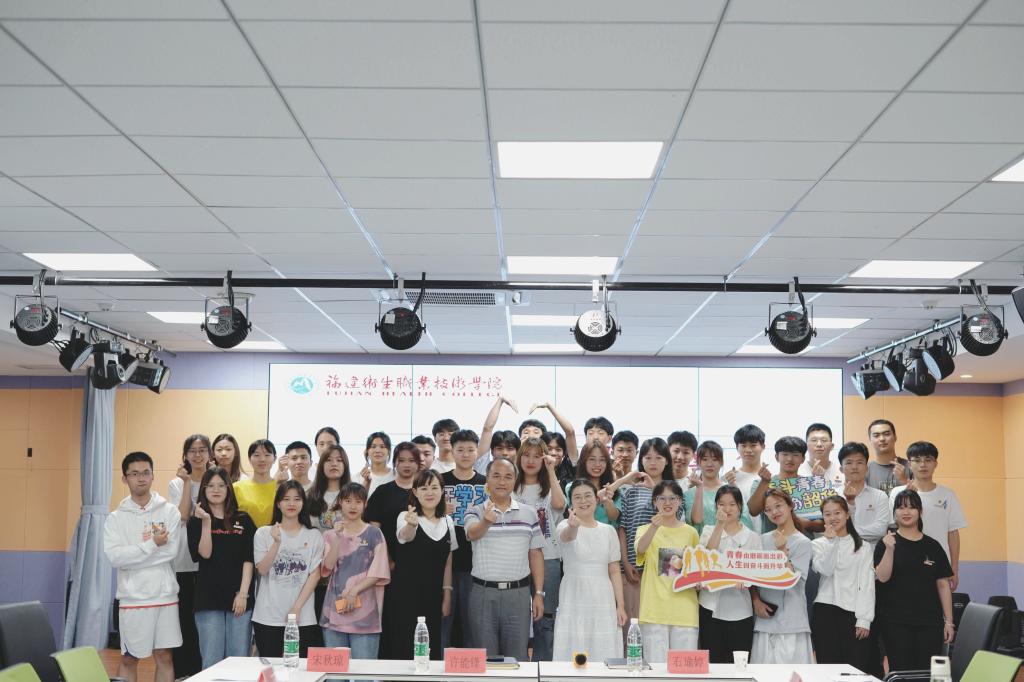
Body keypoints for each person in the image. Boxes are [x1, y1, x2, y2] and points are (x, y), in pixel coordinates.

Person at [104, 452, 182, 682]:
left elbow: (171, 552)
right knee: (129, 659)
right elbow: (115, 557)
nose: (141, 478)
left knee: (165, 656)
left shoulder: (169, 511)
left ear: (152, 475)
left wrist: (134, 556)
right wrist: (152, 545)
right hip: (133, 598)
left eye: (146, 473)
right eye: (135, 474)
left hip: (165, 596)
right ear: (125, 478)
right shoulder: (115, 518)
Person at [464, 458, 545, 661]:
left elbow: (535, 553)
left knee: (517, 659)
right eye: (496, 476)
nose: (502, 481)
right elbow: (472, 533)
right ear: (487, 479)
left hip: (518, 594)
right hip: (483, 593)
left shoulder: (529, 513)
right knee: (485, 660)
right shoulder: (475, 510)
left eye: (508, 476)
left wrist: (538, 593)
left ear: (515, 480)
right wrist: (486, 521)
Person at [874, 489, 956, 672]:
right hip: (894, 622)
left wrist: (949, 622)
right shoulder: (885, 543)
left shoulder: (933, 546)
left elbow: (943, 585)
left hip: (929, 623)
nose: (906, 512)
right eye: (901, 507)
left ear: (920, 511)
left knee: (925, 673)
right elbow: (882, 577)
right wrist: (890, 549)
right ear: (894, 512)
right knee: (901, 671)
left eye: (911, 507)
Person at [186, 466, 256, 669]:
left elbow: (249, 560)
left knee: (239, 660)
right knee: (211, 660)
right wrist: (206, 522)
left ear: (228, 489)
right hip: (208, 600)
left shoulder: (243, 519)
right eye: (210, 486)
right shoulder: (196, 522)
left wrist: (243, 594)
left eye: (221, 485)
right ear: (203, 489)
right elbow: (205, 554)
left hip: (239, 599)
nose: (216, 490)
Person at [383, 470, 456, 659]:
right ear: (415, 492)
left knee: (431, 650)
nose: (429, 493)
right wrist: (411, 525)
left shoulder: (448, 521)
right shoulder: (405, 516)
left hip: (433, 597)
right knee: (404, 649)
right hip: (405, 597)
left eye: (434, 487)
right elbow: (405, 536)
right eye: (423, 488)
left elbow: (448, 562)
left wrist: (447, 594)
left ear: (442, 491)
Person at [553, 479, 627, 662]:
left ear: (596, 499)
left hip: (603, 595)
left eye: (588, 496)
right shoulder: (564, 525)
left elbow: (614, 570)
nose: (583, 501)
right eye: (577, 497)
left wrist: (620, 605)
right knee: (574, 642)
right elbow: (567, 537)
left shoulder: (608, 531)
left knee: (602, 645)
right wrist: (573, 526)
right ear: (571, 503)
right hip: (574, 593)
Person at [252, 481, 325, 657]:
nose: (291, 503)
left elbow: (315, 575)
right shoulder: (264, 533)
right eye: (286, 499)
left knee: (299, 667)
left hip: (302, 618)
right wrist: (277, 543)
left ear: (303, 503)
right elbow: (262, 570)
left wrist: (296, 608)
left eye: (297, 499)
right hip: (267, 617)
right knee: (272, 667)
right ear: (278, 503)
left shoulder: (314, 535)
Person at [320, 482, 390, 659]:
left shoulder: (374, 534)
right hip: (334, 614)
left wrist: (354, 590)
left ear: (365, 504)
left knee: (364, 672)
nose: (353, 506)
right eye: (348, 501)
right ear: (340, 503)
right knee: (336, 672)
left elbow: (379, 572)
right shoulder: (329, 535)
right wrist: (338, 538)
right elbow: (327, 566)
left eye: (358, 502)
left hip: (366, 617)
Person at [614, 437, 677, 634]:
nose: (653, 462)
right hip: (635, 568)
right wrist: (625, 562)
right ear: (641, 461)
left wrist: (654, 491)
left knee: (660, 626)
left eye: (658, 457)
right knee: (633, 624)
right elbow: (623, 528)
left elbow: (677, 524)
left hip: (665, 568)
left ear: (667, 461)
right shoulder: (631, 492)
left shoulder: (674, 491)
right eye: (648, 457)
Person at [512, 437, 566, 661]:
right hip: (517, 558)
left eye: (537, 456)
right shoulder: (512, 486)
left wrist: (551, 470)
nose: (531, 460)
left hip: (548, 557)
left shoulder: (549, 485)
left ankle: (543, 666)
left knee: (545, 617)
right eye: (526, 455)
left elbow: (560, 505)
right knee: (518, 618)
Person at [634, 480, 700, 662]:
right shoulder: (644, 529)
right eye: (661, 498)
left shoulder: (691, 533)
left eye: (673, 498)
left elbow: (697, 570)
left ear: (680, 501)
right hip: (654, 611)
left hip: (685, 611)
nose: (667, 503)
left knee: (684, 669)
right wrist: (654, 527)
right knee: (656, 669)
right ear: (654, 502)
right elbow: (640, 549)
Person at [889, 441, 966, 590]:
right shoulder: (897, 493)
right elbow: (894, 527)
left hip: (939, 564)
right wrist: (909, 498)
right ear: (909, 464)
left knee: (939, 603)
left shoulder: (947, 495)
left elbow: (953, 532)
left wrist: (954, 568)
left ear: (935, 464)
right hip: (905, 562)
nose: (923, 465)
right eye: (917, 460)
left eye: (928, 460)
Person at [811, 495, 875, 670]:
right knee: (827, 666)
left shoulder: (863, 546)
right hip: (824, 610)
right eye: (827, 514)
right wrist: (832, 543)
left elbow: (867, 584)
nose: (833, 518)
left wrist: (864, 619)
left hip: (852, 612)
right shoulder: (818, 544)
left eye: (837, 513)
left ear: (847, 514)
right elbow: (825, 569)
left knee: (855, 667)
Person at [698, 485, 760, 663]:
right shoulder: (708, 530)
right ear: (716, 506)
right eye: (722, 504)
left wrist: (747, 580)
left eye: (732, 504)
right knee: (713, 663)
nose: (727, 509)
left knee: (739, 662)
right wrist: (719, 525)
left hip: (740, 608)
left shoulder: (752, 537)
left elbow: (757, 572)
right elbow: (706, 557)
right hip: (710, 606)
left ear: (740, 506)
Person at [751, 489, 813, 664]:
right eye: (768, 510)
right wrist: (756, 601)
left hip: (792, 622)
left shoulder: (803, 542)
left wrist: (782, 551)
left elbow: (793, 581)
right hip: (765, 620)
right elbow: (751, 577)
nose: (774, 512)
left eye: (778, 506)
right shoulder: (762, 540)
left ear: (790, 505)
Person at [167, 433, 210, 677]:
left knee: (205, 621)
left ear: (209, 453)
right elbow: (183, 515)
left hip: (209, 560)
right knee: (184, 619)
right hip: (183, 559)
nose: (197, 455)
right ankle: (185, 673)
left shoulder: (217, 480)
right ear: (185, 455)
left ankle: (206, 671)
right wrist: (186, 483)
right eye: (192, 450)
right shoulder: (176, 483)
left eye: (202, 450)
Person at [440, 429, 485, 648]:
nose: (465, 454)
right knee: (443, 621)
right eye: (460, 450)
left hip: (475, 563)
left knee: (472, 623)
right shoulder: (440, 481)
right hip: (443, 562)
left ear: (477, 452)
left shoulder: (486, 483)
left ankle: (470, 666)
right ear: (452, 451)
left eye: (470, 450)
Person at [305, 443, 353, 619]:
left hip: (347, 572)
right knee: (317, 621)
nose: (334, 464)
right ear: (321, 465)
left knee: (343, 620)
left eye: (339, 460)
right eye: (329, 460)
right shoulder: (309, 495)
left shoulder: (353, 495)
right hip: (316, 572)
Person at [747, 436, 819, 534]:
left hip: (804, 541)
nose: (789, 459)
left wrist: (807, 524)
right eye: (785, 454)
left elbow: (823, 524)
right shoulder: (761, 483)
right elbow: (753, 511)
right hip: (772, 542)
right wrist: (764, 482)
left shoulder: (811, 485)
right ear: (777, 457)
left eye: (795, 455)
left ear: (803, 458)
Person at [365, 442, 422, 564]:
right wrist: (387, 559)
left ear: (418, 463)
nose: (406, 465)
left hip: (421, 559)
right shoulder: (382, 491)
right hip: (388, 561)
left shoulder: (425, 492)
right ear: (395, 463)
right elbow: (374, 530)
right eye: (401, 460)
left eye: (412, 460)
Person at [685, 440, 753, 536]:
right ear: (698, 463)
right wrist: (699, 488)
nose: (710, 464)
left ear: (721, 462)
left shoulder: (731, 490)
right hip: (702, 544)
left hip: (730, 543)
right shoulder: (689, 494)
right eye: (705, 459)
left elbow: (745, 521)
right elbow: (695, 521)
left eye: (715, 459)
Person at [836, 442, 890, 547]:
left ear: (866, 467)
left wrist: (845, 532)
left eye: (859, 462)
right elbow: (831, 527)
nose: (854, 467)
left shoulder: (880, 496)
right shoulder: (834, 496)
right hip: (840, 552)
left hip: (871, 553)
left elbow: (881, 530)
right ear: (841, 469)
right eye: (849, 462)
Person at [567, 439, 621, 526]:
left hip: (607, 534)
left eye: (602, 460)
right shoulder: (571, 487)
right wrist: (623, 480)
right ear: (584, 461)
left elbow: (613, 517)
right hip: (580, 533)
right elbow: (575, 513)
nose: (597, 464)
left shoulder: (614, 490)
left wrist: (608, 502)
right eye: (592, 459)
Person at [234, 439, 284, 527]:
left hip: (276, 534)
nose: (262, 459)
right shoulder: (236, 488)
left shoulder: (282, 488)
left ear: (274, 459)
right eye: (256, 455)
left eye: (267, 455)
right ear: (249, 459)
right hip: (245, 535)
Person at [732, 424, 767, 532]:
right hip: (738, 535)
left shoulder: (770, 478)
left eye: (753, 445)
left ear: (763, 447)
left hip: (767, 535)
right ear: (737, 448)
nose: (748, 450)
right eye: (743, 446)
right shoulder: (730, 478)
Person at [867, 419, 910, 495]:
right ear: (870, 440)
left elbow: (921, 497)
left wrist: (904, 481)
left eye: (886, 434)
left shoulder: (910, 466)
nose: (882, 439)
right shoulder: (865, 470)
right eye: (876, 436)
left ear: (895, 437)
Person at [800, 423, 844, 490]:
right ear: (806, 446)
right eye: (814, 440)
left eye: (824, 440)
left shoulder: (842, 471)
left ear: (832, 446)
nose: (819, 444)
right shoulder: (798, 471)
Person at [361, 432, 395, 498]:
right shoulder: (359, 477)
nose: (377, 450)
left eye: (382, 446)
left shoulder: (396, 476)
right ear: (367, 451)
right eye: (373, 447)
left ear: (389, 451)